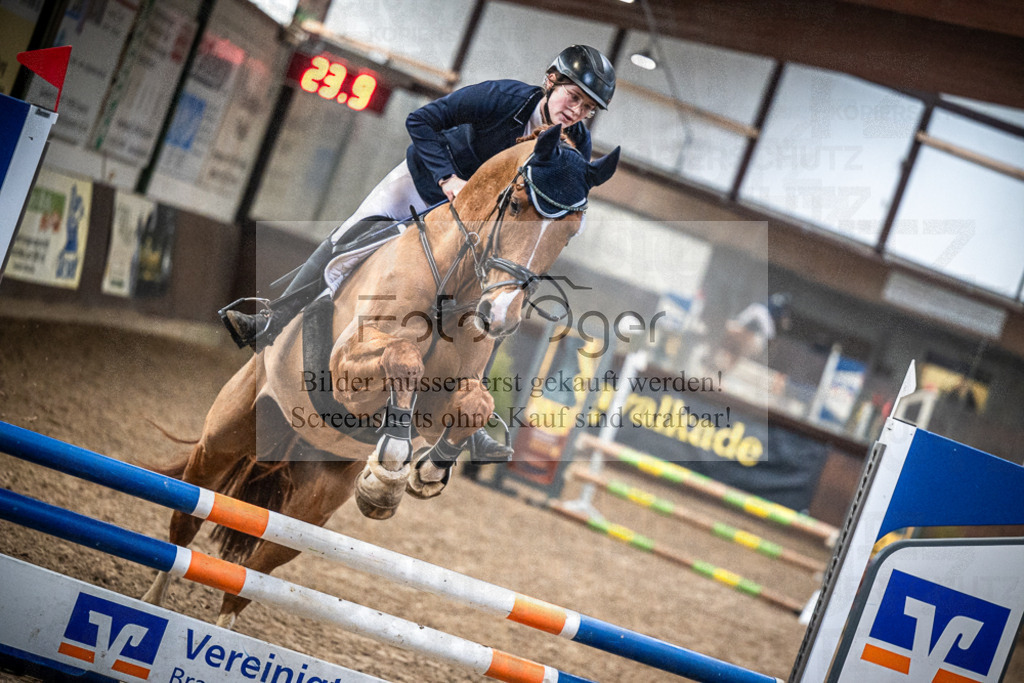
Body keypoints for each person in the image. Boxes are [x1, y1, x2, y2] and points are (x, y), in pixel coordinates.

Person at [220, 44, 617, 461]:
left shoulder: (576, 143)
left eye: (587, 108)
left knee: (500, 300)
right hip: (425, 186)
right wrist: (448, 178)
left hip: (473, 226)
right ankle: (274, 317)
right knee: (349, 234)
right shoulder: (504, 98)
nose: (576, 111)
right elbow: (421, 119)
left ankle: (471, 405)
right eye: (573, 97)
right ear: (551, 81)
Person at [708, 292, 793, 374]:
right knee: (769, 337)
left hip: (756, 308)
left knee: (737, 325)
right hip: (763, 314)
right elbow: (784, 322)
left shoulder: (771, 298)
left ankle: (717, 360)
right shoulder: (784, 305)